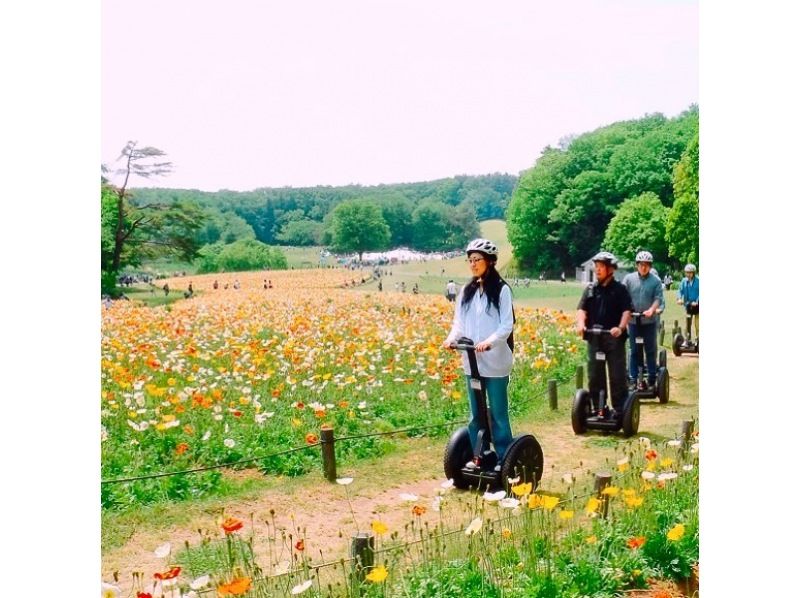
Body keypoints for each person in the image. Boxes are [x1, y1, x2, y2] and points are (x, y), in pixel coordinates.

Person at [443, 238, 515, 472]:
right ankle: (480, 454)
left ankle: (504, 458)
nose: (473, 264)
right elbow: (459, 323)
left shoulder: (502, 290)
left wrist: (489, 342)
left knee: (497, 414)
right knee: (476, 413)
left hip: (495, 362)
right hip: (471, 361)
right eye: (470, 260)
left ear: (490, 262)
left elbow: (506, 325)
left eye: (478, 260)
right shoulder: (466, 291)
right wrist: (451, 338)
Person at [576, 251, 633, 421]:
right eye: (596, 267)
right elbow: (581, 309)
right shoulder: (591, 289)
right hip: (595, 338)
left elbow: (626, 311)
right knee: (595, 375)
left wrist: (621, 328)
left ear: (610, 269)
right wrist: (581, 324)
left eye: (601, 267)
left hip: (614, 338)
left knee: (617, 375)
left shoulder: (620, 289)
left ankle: (620, 409)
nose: (597, 270)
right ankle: (598, 408)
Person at [622, 251, 664, 390]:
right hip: (633, 321)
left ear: (650, 266)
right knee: (634, 350)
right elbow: (622, 295)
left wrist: (652, 310)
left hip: (649, 322)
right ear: (637, 265)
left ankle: (652, 378)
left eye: (646, 265)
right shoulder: (629, 279)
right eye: (641, 264)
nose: (643, 267)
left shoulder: (656, 281)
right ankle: (633, 378)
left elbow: (658, 298)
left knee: (650, 350)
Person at [677, 264, 699, 346]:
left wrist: (697, 301)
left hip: (698, 307)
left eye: (690, 273)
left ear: (694, 273)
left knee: (698, 325)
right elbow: (680, 291)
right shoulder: (684, 281)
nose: (688, 274)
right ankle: (687, 340)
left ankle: (698, 339)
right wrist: (679, 298)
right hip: (688, 306)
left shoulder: (698, 281)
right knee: (687, 324)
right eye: (687, 273)